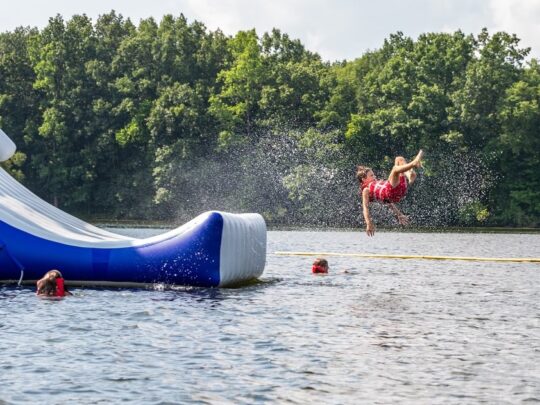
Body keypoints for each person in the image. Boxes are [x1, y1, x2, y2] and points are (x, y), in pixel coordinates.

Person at [357, 150, 423, 236]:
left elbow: (389, 203)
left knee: (399, 159)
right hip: (390, 191)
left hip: (398, 190)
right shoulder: (366, 189)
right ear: (364, 179)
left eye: (374, 174)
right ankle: (413, 164)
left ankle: (410, 175)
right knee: (395, 169)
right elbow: (365, 208)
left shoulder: (376, 184)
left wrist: (399, 214)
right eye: (372, 175)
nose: (375, 176)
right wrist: (369, 223)